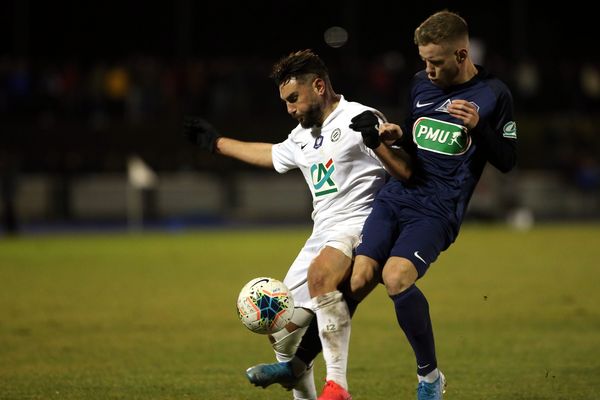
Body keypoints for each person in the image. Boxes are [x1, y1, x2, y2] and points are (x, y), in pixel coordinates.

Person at [252, 11, 518, 400]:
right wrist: (398, 133)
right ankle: (300, 365)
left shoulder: (494, 95)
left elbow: (507, 159)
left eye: (436, 62)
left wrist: (480, 127)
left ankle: (429, 378)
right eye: (424, 60)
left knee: (395, 277)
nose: (427, 69)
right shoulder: (420, 85)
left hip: (436, 209)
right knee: (358, 279)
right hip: (396, 196)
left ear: (462, 55)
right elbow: (416, 136)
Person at [182, 49, 412, 400]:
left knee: (321, 278)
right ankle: (304, 391)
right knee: (280, 328)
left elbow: (400, 164)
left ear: (318, 86)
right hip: (321, 232)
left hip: (359, 222)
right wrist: (216, 144)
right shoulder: (302, 136)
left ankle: (337, 386)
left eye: (293, 99)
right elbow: (270, 154)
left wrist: (385, 143)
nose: (289, 109)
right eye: (285, 102)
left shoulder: (359, 117)